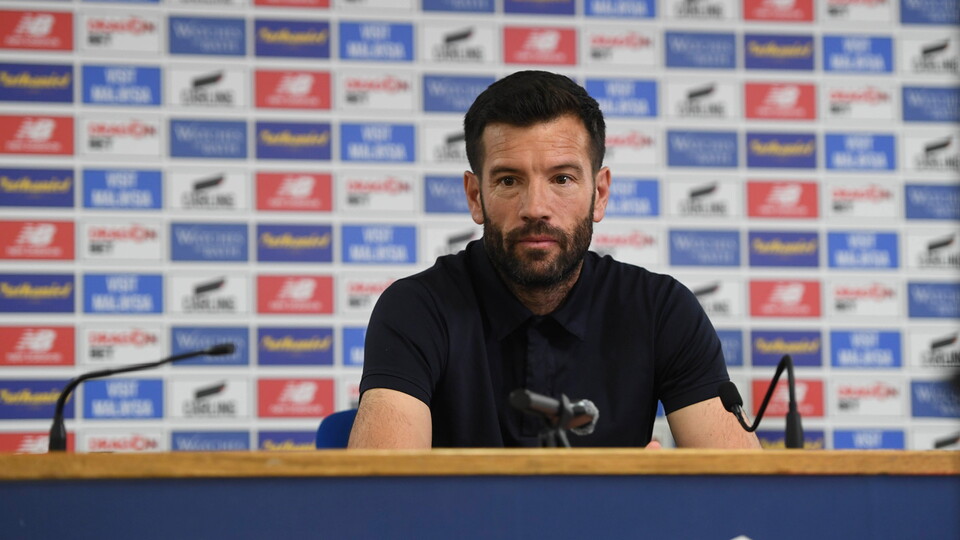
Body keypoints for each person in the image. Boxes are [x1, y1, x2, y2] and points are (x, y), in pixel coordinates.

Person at [349, 70, 760, 449]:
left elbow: (740, 490)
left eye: (562, 178)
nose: (536, 208)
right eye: (509, 180)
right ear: (476, 197)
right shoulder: (417, 308)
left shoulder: (660, 308)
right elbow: (381, 495)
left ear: (599, 193)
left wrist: (661, 495)